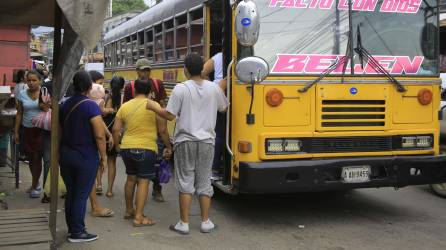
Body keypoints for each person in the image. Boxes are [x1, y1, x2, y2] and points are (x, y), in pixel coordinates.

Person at [147, 53, 229, 235]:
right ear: (202, 69)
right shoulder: (213, 88)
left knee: (185, 181)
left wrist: (153, 107)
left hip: (185, 141)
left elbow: (169, 115)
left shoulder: (180, 89)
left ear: (185, 69)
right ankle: (206, 221)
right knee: (204, 180)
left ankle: (183, 223)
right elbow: (224, 107)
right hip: (207, 141)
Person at [112, 79, 172, 227]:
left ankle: (128, 210)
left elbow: (115, 129)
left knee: (131, 179)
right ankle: (139, 217)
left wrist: (118, 146)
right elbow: (163, 130)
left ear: (134, 91)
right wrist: (168, 146)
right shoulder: (154, 106)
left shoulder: (124, 106)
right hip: (146, 148)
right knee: (143, 181)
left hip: (127, 148)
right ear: (150, 91)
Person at [59, 71, 107, 243]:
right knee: (80, 194)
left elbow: (59, 131)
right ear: (89, 87)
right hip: (85, 156)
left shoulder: (64, 104)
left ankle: (72, 229)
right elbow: (99, 135)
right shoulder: (90, 106)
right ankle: (78, 232)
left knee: (72, 193)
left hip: (66, 154)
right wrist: (104, 156)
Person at [123, 58, 167, 202]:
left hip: (155, 129)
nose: (145, 73)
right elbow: (126, 108)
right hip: (138, 131)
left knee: (158, 161)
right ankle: (139, 192)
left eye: (147, 70)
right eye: (142, 70)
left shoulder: (157, 84)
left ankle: (157, 188)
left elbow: (162, 105)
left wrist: (163, 128)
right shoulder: (130, 87)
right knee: (136, 172)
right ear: (137, 71)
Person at [14, 70, 45, 198]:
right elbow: (20, 113)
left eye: (34, 80)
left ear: (40, 81)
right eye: (29, 81)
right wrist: (16, 131)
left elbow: (50, 110)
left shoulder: (44, 93)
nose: (31, 83)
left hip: (40, 130)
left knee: (37, 158)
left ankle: (35, 185)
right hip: (27, 130)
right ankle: (35, 183)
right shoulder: (22, 94)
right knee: (31, 158)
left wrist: (45, 105)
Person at [202, 52, 227, 179]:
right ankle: (215, 167)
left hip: (218, 91)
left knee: (219, 132)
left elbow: (202, 72)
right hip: (224, 92)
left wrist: (212, 85)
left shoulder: (219, 56)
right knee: (220, 133)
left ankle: (214, 167)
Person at [103, 76, 125, 197]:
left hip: (103, 131)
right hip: (115, 133)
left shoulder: (106, 96)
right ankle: (110, 190)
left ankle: (99, 184)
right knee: (112, 161)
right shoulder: (123, 99)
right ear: (122, 87)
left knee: (100, 159)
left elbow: (101, 112)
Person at [38, 78, 53, 203]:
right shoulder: (46, 86)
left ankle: (65, 190)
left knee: (64, 161)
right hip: (49, 130)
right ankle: (47, 192)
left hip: (67, 130)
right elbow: (41, 105)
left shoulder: (73, 85)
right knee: (48, 161)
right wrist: (49, 105)